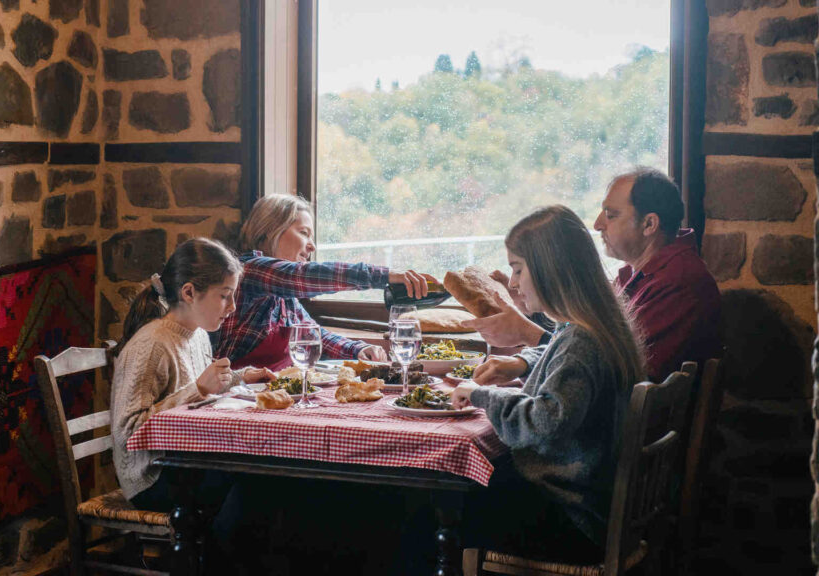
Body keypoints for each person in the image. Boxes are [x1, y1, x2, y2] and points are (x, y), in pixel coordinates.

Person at [446, 205, 646, 562]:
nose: (512, 282)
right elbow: (562, 356)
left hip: (570, 518)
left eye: (518, 268)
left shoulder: (581, 341)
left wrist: (481, 395)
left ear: (549, 270)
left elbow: (545, 420)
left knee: (435, 505)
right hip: (585, 503)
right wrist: (523, 361)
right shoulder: (593, 326)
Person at [467, 167, 721, 381]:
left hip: (627, 436)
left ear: (649, 224)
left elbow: (611, 373)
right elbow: (591, 346)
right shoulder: (641, 274)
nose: (598, 224)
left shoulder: (678, 283)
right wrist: (539, 305)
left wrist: (526, 333)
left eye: (611, 215)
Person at [110, 237, 274, 511]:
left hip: (185, 462)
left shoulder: (196, 334)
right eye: (224, 295)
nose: (232, 306)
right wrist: (199, 389)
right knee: (252, 485)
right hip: (151, 478)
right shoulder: (151, 346)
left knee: (268, 471)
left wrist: (241, 377)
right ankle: (217, 554)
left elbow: (196, 388)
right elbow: (127, 434)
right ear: (188, 293)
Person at [212, 194, 434, 370]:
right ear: (271, 231)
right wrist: (384, 276)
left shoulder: (285, 298)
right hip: (234, 399)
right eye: (304, 233)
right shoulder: (249, 270)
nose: (312, 246)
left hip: (274, 397)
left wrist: (358, 349)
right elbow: (302, 276)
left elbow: (315, 334)